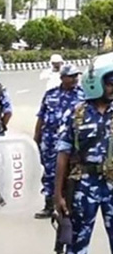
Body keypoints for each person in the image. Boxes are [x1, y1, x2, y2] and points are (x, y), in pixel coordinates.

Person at [50, 56, 113, 254]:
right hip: (84, 185)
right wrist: (58, 192)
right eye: (110, 82)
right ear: (95, 83)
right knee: (76, 243)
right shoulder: (76, 113)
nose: (112, 87)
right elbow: (63, 153)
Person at [33, 65, 85, 220]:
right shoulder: (51, 94)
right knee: (49, 173)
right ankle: (49, 205)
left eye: (76, 76)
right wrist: (37, 137)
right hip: (50, 140)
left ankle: (71, 205)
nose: (75, 79)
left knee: (72, 172)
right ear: (62, 78)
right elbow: (41, 116)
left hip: (73, 142)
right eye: (71, 76)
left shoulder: (83, 95)